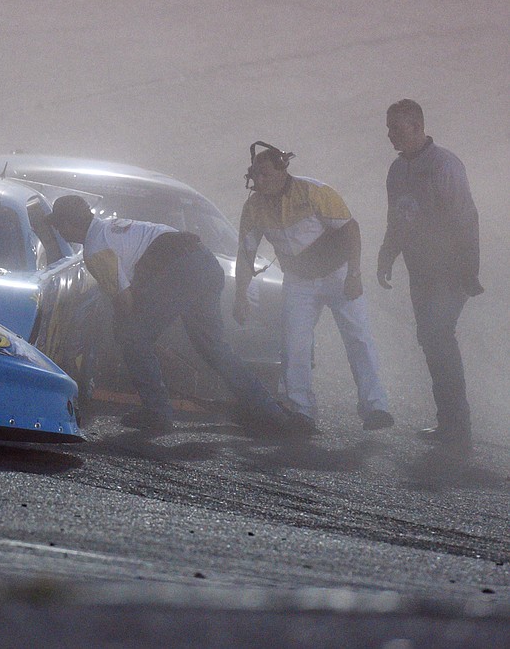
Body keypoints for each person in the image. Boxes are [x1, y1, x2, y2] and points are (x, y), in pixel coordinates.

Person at [48, 195, 292, 436]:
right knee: (215, 349)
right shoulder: (109, 227)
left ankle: (158, 413)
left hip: (182, 272)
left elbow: (125, 301)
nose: (59, 230)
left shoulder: (95, 249)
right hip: (204, 262)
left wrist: (125, 332)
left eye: (59, 225)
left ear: (70, 224)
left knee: (134, 338)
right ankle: (269, 412)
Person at [235, 143, 392, 435]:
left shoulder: (315, 192)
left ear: (283, 170)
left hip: (338, 273)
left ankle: (375, 407)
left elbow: (350, 229)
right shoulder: (253, 207)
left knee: (358, 337)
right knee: (294, 343)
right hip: (298, 280)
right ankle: (302, 411)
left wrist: (354, 274)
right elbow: (245, 254)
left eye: (266, 174)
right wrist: (239, 295)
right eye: (256, 175)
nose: (260, 181)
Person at [379, 99, 482, 453]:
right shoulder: (397, 171)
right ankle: (449, 422)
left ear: (417, 126)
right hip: (420, 270)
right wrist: (386, 255)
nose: (389, 134)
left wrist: (469, 270)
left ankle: (458, 426)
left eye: (396, 127)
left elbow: (466, 218)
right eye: (389, 126)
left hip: (449, 270)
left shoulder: (445, 165)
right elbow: (397, 218)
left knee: (438, 337)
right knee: (431, 339)